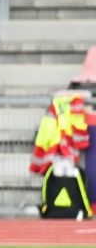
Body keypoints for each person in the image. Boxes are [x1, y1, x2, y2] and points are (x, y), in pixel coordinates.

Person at [30, 89, 92, 219]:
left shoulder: (56, 109)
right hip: (63, 154)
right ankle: (76, 210)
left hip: (63, 153)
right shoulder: (70, 109)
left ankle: (58, 209)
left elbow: (45, 135)